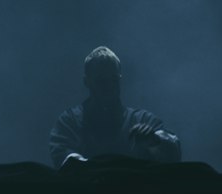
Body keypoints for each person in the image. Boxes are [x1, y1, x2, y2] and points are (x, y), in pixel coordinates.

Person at [50, 46, 182, 168]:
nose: (109, 86)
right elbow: (64, 158)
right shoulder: (70, 121)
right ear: (87, 82)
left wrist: (154, 140)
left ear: (120, 80)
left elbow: (174, 154)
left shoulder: (143, 119)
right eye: (101, 80)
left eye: (113, 79)